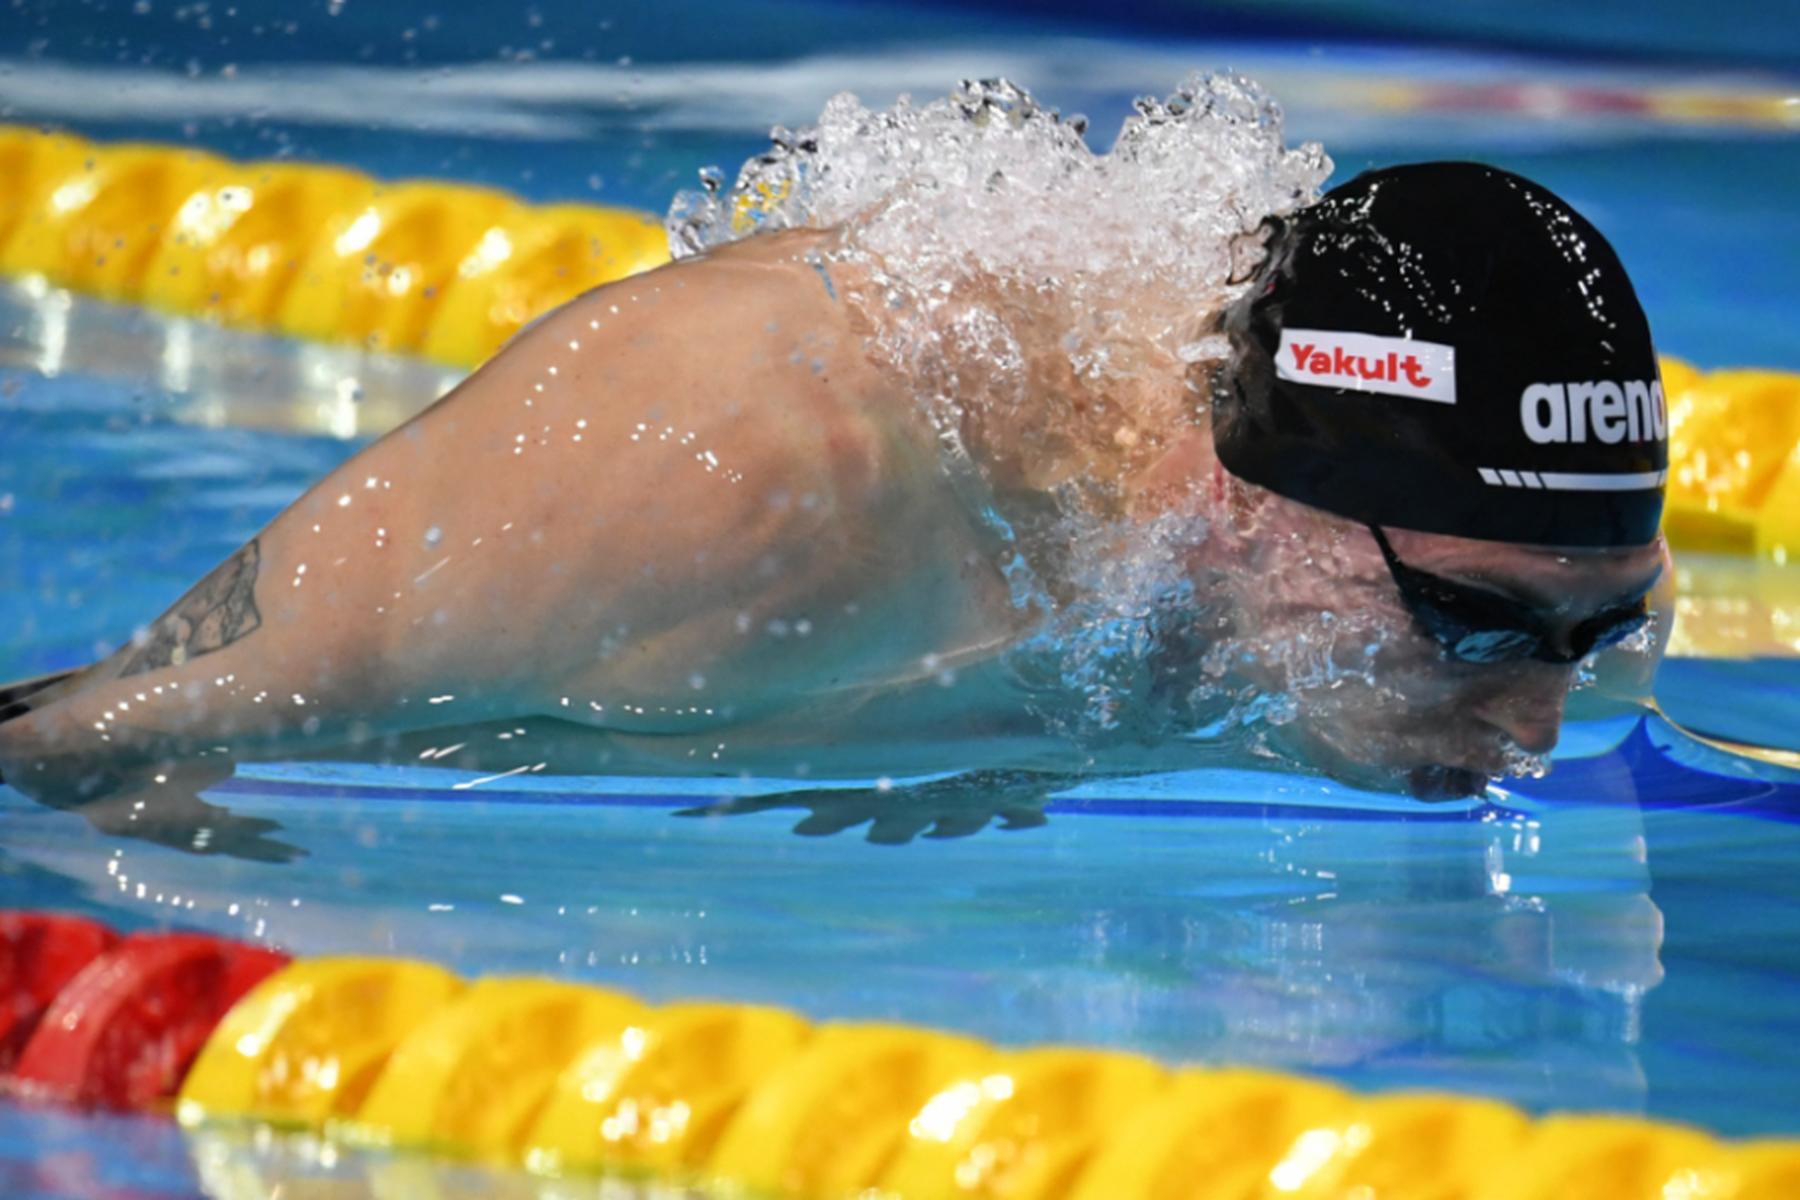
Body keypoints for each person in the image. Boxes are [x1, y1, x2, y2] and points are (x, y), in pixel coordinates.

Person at [0, 160, 1672, 854]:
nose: (1533, 726)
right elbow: (72, 739)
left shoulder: (1465, 571)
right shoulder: (748, 479)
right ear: (1258, 498)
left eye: (1599, 634)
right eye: (1468, 627)